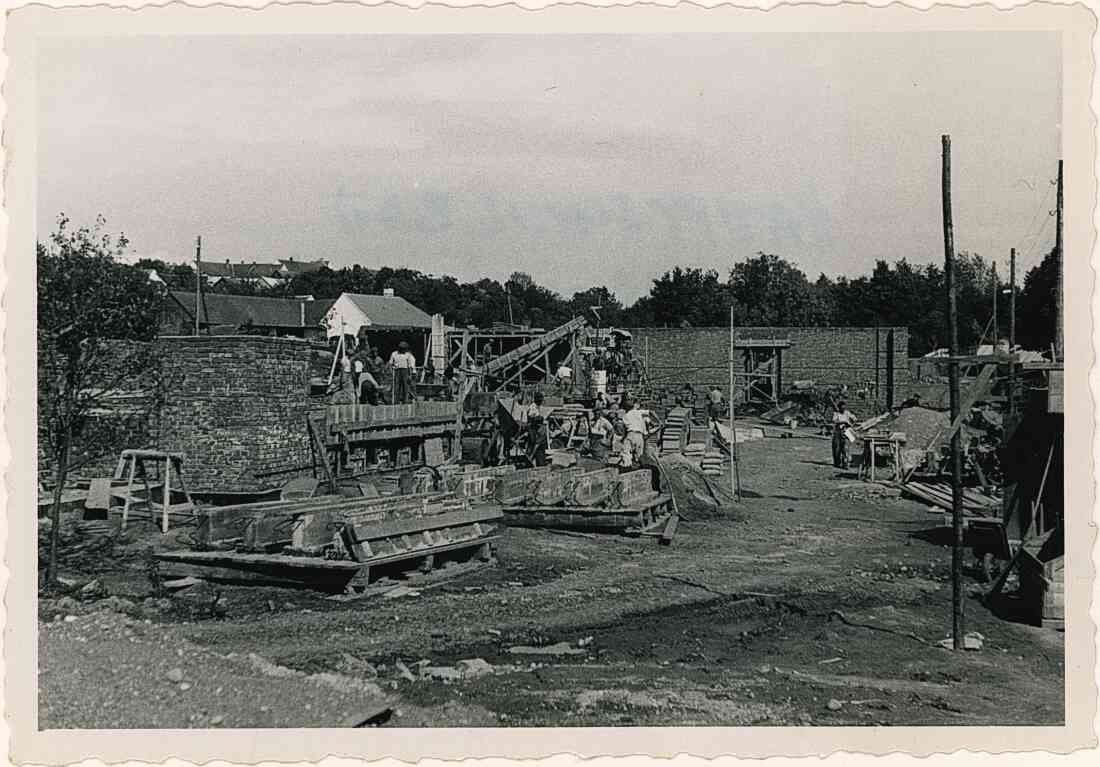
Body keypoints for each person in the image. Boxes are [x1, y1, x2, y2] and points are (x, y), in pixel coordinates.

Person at [831, 401, 858, 469]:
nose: (843, 409)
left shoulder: (847, 413)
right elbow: (834, 421)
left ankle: (845, 463)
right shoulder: (836, 413)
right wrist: (843, 422)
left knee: (845, 448)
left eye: (844, 407)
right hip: (838, 431)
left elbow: (854, 419)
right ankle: (837, 462)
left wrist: (851, 422)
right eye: (842, 408)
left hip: (846, 431)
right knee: (837, 447)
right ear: (839, 408)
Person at [525, 392, 547, 466]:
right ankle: (530, 459)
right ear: (537, 399)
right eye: (540, 400)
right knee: (535, 444)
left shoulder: (537, 407)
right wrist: (540, 418)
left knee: (540, 447)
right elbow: (531, 418)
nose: (541, 402)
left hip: (536, 429)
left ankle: (540, 462)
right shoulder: (533, 407)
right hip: (533, 429)